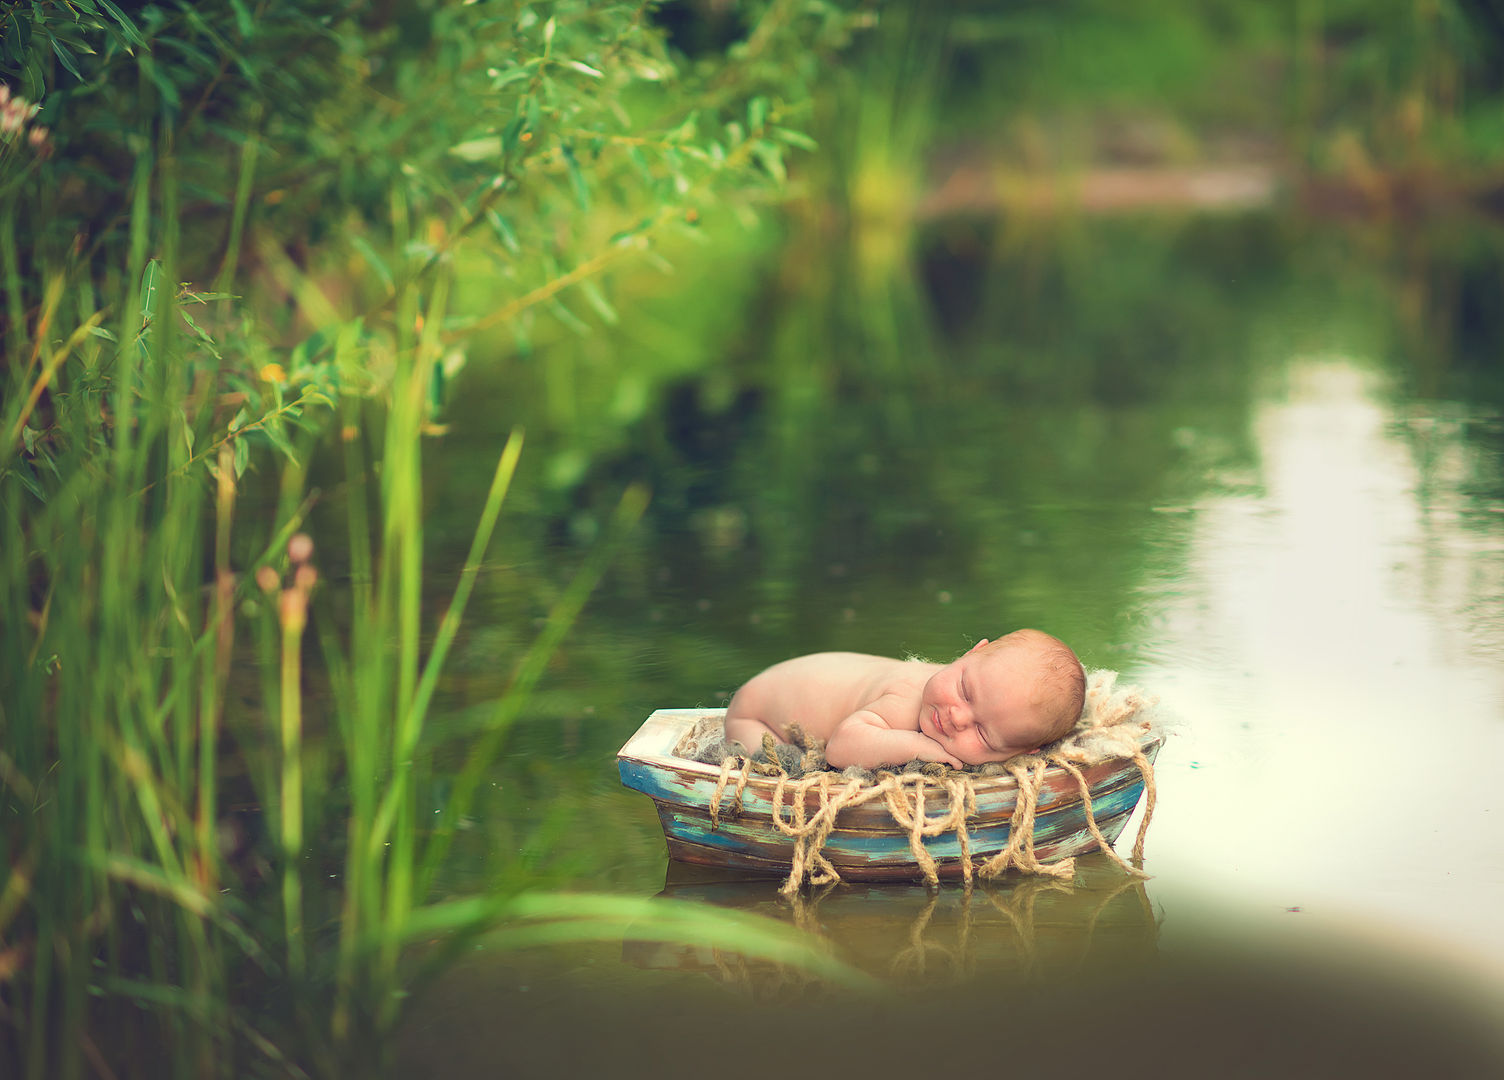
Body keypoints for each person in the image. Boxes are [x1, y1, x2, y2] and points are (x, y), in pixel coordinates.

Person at [723, 629, 1085, 770]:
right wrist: (917, 745)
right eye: (965, 691)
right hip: (757, 711)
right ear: (970, 654)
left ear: (1026, 753)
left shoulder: (977, 689)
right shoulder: (908, 696)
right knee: (776, 770)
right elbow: (842, 747)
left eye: (984, 735)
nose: (957, 717)